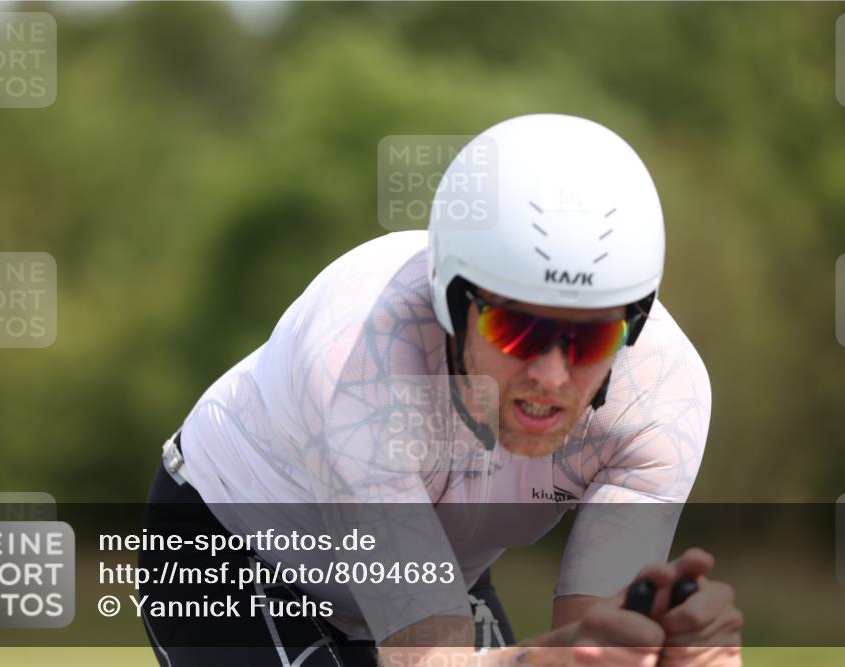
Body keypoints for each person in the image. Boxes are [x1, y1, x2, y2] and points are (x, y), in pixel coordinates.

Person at [140, 114, 743, 667]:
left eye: (591, 339)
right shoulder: (363, 358)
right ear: (452, 302)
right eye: (515, 328)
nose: (552, 376)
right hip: (234, 550)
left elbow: (592, 648)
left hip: (439, 564)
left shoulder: (663, 398)